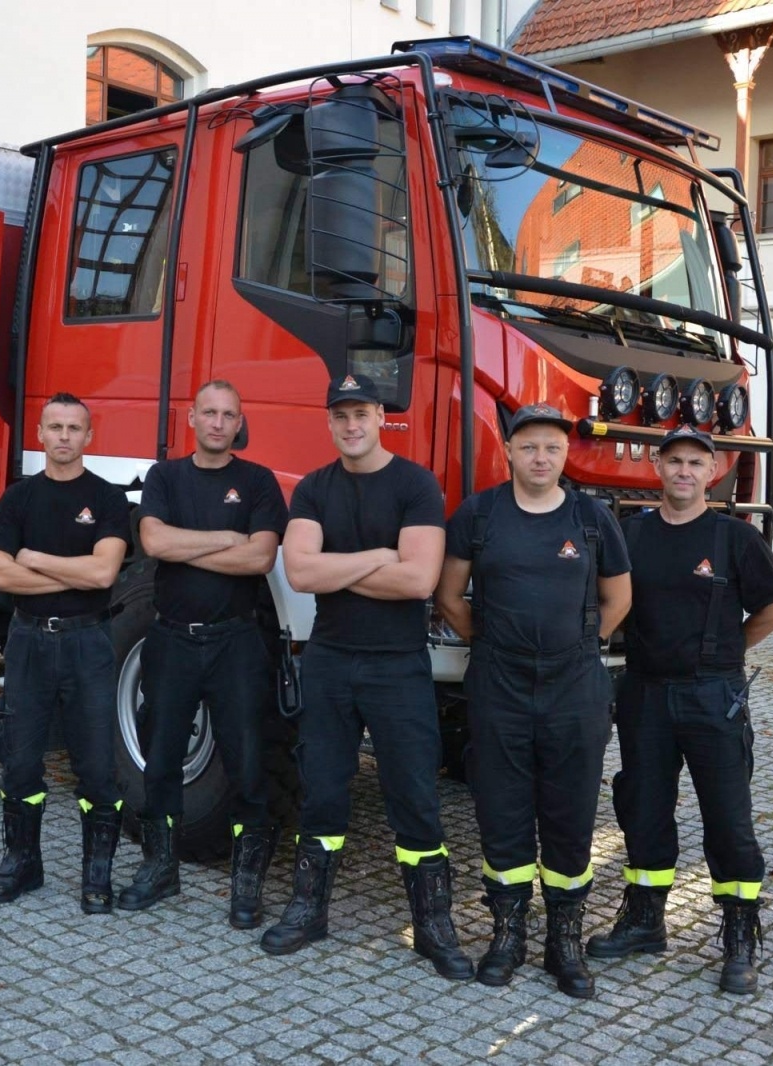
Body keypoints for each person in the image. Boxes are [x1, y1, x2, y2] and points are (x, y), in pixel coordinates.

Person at [263, 373, 471, 981]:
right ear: (328, 423)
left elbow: (418, 582)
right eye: (340, 416)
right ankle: (309, 908)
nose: (351, 426)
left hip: (396, 665)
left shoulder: (414, 485)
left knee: (414, 793)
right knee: (323, 787)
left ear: (382, 416)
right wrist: (379, 557)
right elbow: (298, 574)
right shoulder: (314, 491)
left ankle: (433, 923)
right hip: (329, 660)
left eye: (361, 413)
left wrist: (340, 568)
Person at [585, 424, 773, 995]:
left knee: (728, 818)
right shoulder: (631, 535)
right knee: (644, 808)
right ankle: (646, 920)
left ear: (713, 471)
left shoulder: (735, 540)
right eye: (673, 460)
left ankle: (740, 935)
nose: (683, 471)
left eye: (695, 463)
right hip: (644, 692)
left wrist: (724, 657)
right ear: (657, 466)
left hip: (713, 697)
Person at [436, 403, 631, 999]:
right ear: (511, 453)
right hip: (499, 682)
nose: (540, 457)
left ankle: (563, 941)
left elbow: (619, 599)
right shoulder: (480, 513)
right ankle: (508, 934)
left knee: (570, 816)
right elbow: (449, 595)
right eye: (529, 447)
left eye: (551, 447)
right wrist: (491, 644)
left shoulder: (591, 517)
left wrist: (579, 646)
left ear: (563, 455)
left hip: (575, 684)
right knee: (502, 809)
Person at [123, 380, 289, 927]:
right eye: (209, 413)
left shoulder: (258, 482)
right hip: (170, 639)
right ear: (190, 417)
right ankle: (160, 867)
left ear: (240, 424)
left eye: (229, 415)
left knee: (246, 762)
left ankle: (246, 883)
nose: (218, 423)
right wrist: (227, 538)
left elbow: (261, 558)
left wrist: (190, 542)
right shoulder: (165, 476)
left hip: (235, 642)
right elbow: (154, 543)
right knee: (161, 757)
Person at [0, 393, 131, 914]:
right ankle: (22, 862)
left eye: (75, 428)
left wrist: (37, 559)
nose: (64, 436)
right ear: (40, 435)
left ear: (90, 437)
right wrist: (72, 570)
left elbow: (103, 574)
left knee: (96, 766)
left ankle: (96, 875)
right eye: (55, 427)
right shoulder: (18, 499)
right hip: (27, 642)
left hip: (88, 642)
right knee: (20, 759)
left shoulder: (109, 499)